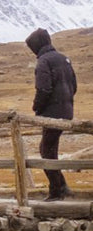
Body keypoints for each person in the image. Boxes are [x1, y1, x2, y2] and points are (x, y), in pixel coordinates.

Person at [25, 28, 77, 202]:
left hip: (51, 113)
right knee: (50, 149)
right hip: (67, 110)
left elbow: (44, 89)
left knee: (46, 151)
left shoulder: (43, 62)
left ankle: (57, 190)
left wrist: (36, 107)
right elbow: (73, 85)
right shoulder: (64, 59)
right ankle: (61, 186)